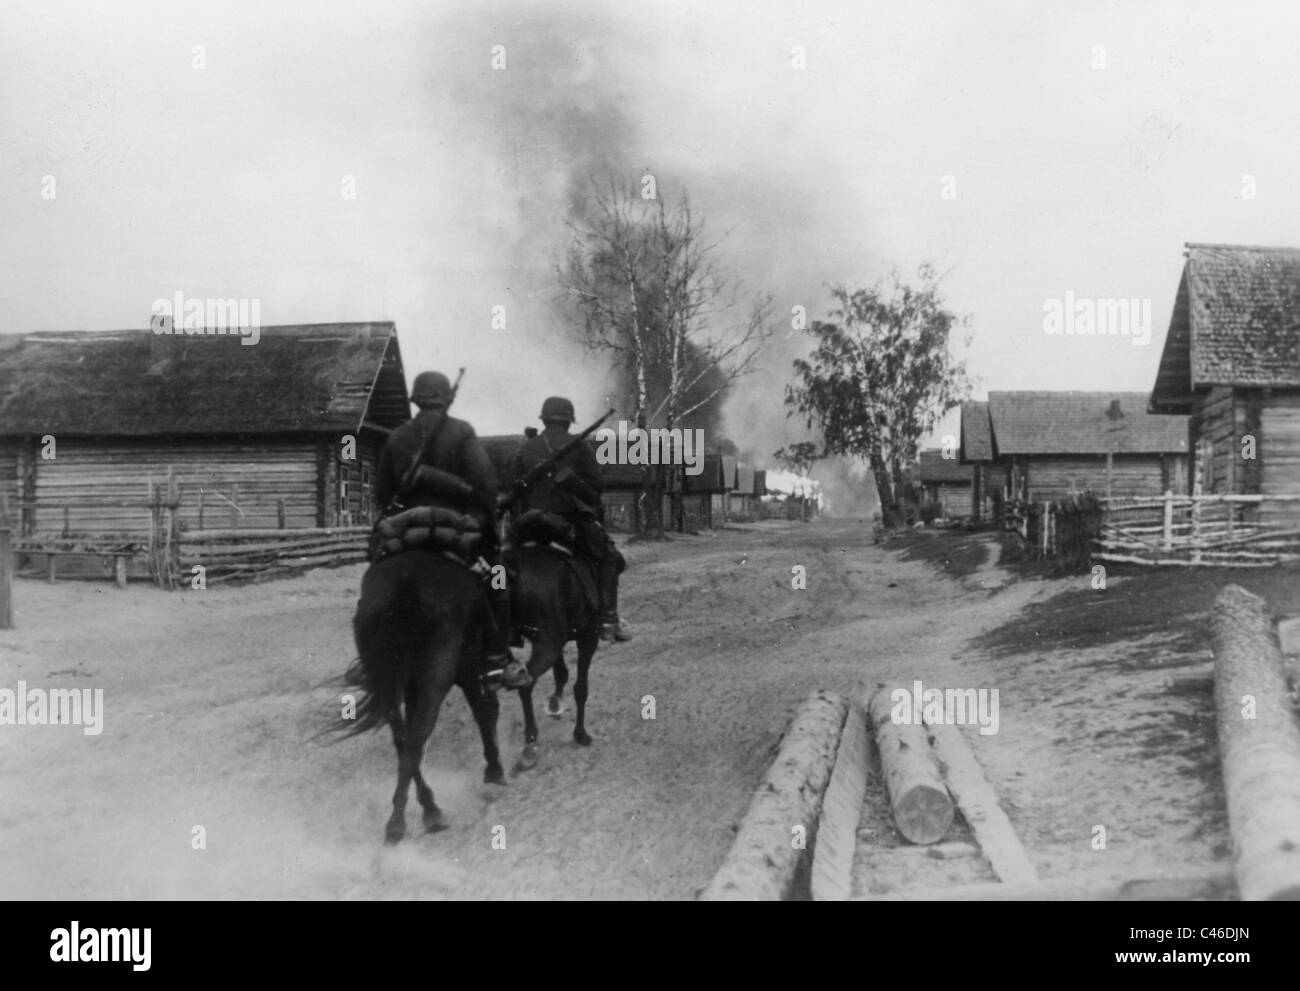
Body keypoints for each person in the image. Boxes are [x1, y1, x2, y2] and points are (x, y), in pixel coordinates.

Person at [374, 371, 532, 689]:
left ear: (416, 399)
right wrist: (486, 524)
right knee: (499, 585)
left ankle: (375, 663)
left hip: (407, 536)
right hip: (456, 536)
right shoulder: (461, 433)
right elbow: (486, 487)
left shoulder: (397, 437)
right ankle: (497, 661)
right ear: (446, 397)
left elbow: (381, 493)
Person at [510, 396, 631, 642]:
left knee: (499, 565)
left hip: (528, 526)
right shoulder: (579, 446)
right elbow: (596, 488)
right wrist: (571, 481)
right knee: (610, 558)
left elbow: (513, 489)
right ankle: (609, 619)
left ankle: (501, 615)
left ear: (543, 419)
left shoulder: (525, 448)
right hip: (569, 525)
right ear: (568, 421)